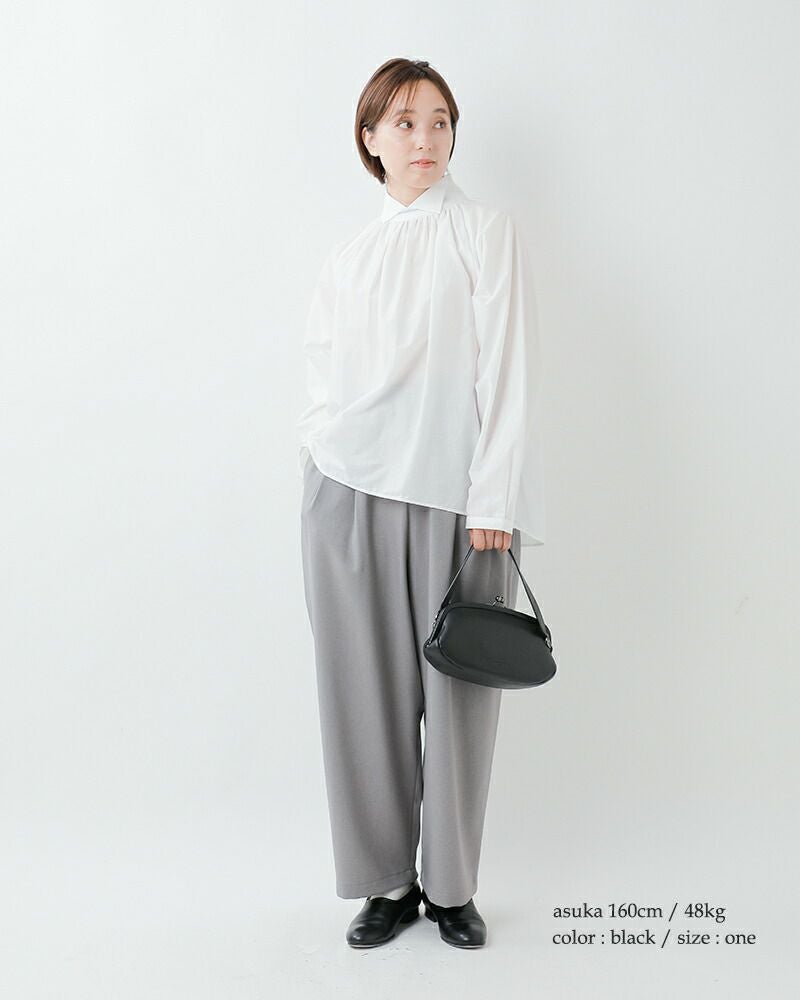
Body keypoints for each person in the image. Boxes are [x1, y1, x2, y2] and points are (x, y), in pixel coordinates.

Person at [296, 58, 545, 949]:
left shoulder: (483, 232)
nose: (425, 139)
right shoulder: (349, 256)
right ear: (370, 138)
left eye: (439, 121)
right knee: (360, 697)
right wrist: (319, 457)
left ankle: (451, 888)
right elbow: (323, 376)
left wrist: (496, 498)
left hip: (459, 503)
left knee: (461, 697)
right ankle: (386, 884)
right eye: (404, 123)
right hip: (347, 495)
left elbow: (507, 369)